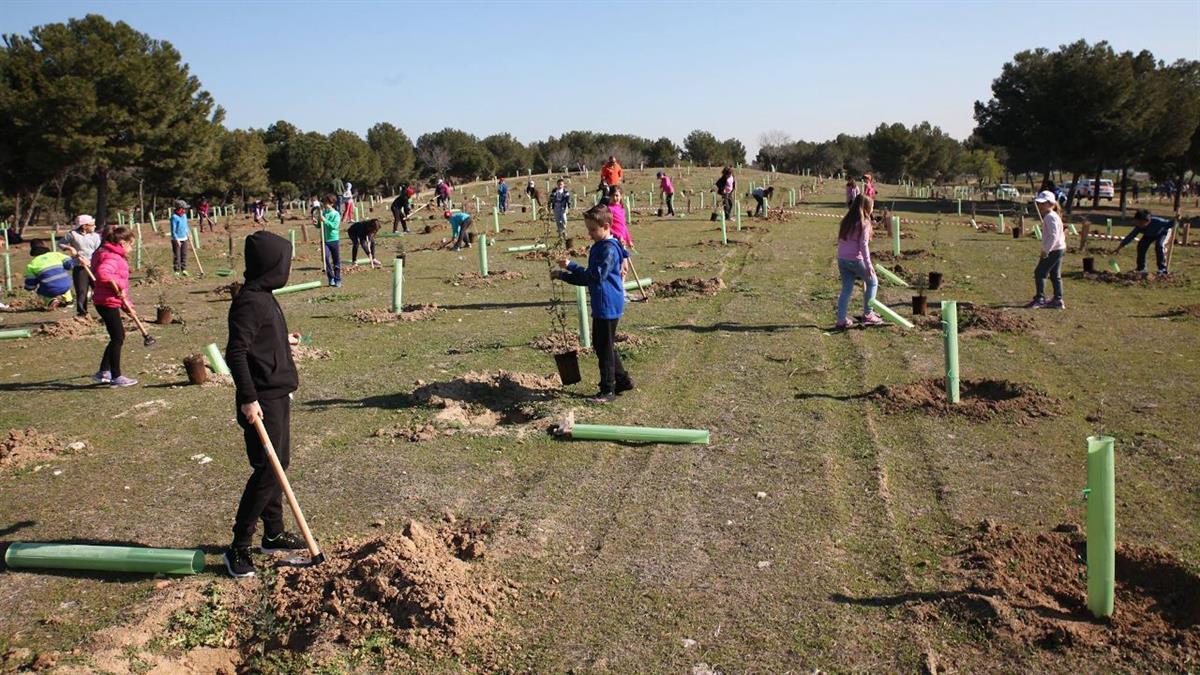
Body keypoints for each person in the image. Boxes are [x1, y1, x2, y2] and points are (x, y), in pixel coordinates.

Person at [223, 230, 306, 578]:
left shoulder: (264, 297)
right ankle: (239, 546)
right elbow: (236, 353)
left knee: (277, 465)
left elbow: (257, 338)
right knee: (268, 468)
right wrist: (248, 399)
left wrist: (280, 340)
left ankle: (272, 534)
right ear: (271, 264)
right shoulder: (250, 301)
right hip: (261, 399)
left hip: (276, 392)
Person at [551, 204, 634, 403]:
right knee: (604, 344)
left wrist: (565, 274)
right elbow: (592, 272)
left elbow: (593, 277)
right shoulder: (603, 245)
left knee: (603, 347)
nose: (590, 234)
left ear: (606, 226)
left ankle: (608, 390)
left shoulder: (608, 250)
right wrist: (571, 267)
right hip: (604, 302)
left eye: (593, 230)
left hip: (607, 305)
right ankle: (622, 380)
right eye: (588, 229)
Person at [88, 227, 139, 387]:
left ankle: (103, 371)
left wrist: (127, 305)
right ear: (122, 243)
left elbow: (118, 289)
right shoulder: (112, 257)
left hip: (107, 300)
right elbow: (103, 274)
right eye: (131, 245)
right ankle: (116, 376)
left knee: (116, 337)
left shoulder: (107, 254)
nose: (132, 248)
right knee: (118, 337)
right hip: (107, 301)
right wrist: (116, 283)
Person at [835, 195, 882, 329]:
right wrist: (868, 265)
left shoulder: (846, 221)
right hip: (856, 259)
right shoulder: (864, 223)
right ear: (867, 208)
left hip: (842, 259)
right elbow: (863, 245)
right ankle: (868, 314)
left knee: (846, 289)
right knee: (872, 282)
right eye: (872, 207)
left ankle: (841, 320)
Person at [1025, 190, 1067, 309]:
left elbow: (1053, 236)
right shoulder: (1053, 216)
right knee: (1055, 275)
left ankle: (1040, 299)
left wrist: (1046, 250)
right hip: (1059, 248)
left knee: (1040, 272)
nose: (1040, 206)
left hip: (1054, 250)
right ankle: (1058, 300)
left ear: (1051, 204)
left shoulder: (1050, 217)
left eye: (1043, 203)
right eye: (1039, 203)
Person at [59, 215, 101, 316]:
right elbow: (60, 243)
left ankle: (105, 312)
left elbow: (99, 250)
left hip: (94, 266)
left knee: (99, 289)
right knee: (82, 291)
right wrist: (70, 249)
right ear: (84, 226)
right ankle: (82, 313)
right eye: (92, 225)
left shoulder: (95, 236)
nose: (94, 226)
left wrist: (92, 261)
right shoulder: (72, 234)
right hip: (79, 268)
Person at [1112, 208, 1174, 276]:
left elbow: (1170, 224)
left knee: (1159, 245)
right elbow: (1130, 236)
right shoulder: (1138, 227)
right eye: (1136, 222)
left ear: (1147, 221)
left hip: (1163, 233)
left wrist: (1176, 220)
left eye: (1140, 223)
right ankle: (1141, 268)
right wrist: (1119, 247)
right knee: (1141, 246)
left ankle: (1162, 269)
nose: (1138, 225)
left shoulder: (1158, 222)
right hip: (1149, 235)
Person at [23, 239, 77, 308]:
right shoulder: (56, 254)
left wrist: (29, 288)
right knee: (63, 282)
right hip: (66, 284)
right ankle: (69, 301)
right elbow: (69, 264)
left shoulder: (32, 264)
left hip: (49, 288)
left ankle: (50, 301)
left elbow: (31, 284)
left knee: (40, 291)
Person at [320, 195, 343, 287]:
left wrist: (325, 220)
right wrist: (316, 223)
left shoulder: (336, 214)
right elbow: (320, 225)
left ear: (332, 204)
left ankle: (337, 279)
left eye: (327, 203)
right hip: (324, 240)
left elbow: (334, 226)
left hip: (334, 240)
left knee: (336, 260)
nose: (325, 204)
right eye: (324, 202)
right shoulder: (323, 213)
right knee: (325, 258)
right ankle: (331, 277)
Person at [171, 200, 191, 276]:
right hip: (176, 239)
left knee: (184, 254)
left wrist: (189, 234)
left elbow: (186, 226)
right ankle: (177, 270)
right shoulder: (174, 217)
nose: (184, 210)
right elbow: (173, 230)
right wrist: (176, 240)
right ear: (179, 208)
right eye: (183, 208)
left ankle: (184, 269)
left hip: (184, 238)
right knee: (177, 255)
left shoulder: (184, 216)